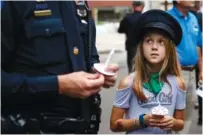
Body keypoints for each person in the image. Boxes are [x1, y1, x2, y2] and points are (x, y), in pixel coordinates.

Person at [1, 1, 119, 134]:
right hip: (31, 128)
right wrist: (58, 85)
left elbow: (86, 54)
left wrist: (96, 71)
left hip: (84, 128)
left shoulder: (80, 3)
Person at [110, 9, 186, 134]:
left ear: (169, 49)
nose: (154, 47)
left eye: (161, 42)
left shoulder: (178, 83)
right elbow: (114, 125)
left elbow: (180, 123)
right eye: (148, 41)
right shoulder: (128, 82)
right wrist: (141, 121)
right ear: (141, 46)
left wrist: (173, 123)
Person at [168, 0, 202, 125]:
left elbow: (198, 45)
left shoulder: (193, 17)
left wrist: (201, 71)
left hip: (192, 73)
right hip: (175, 72)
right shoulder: (168, 18)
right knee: (172, 111)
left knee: (186, 110)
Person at [118, 1, 145, 73]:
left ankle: (131, 83)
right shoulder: (145, 18)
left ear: (133, 6)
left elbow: (120, 30)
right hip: (143, 46)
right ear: (142, 7)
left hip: (131, 46)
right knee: (143, 68)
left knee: (131, 68)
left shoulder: (127, 18)